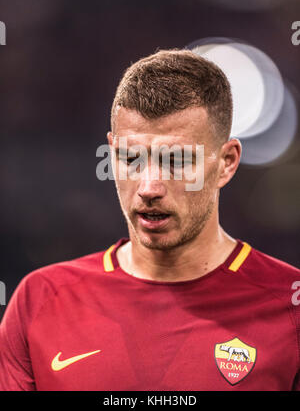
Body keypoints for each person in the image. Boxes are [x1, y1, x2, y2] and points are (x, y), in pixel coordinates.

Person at [0, 49, 299, 391]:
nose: (149, 187)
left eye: (177, 160)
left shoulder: (290, 308)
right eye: (130, 158)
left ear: (227, 162)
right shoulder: (39, 301)